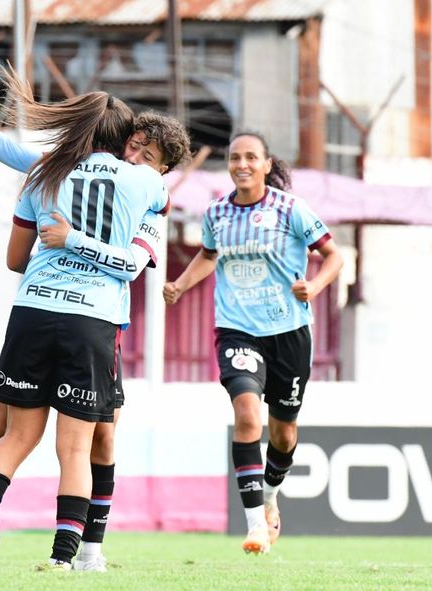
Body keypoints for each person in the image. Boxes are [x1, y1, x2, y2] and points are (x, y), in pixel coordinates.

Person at [0, 95, 190, 571]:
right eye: (136, 145)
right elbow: (140, 248)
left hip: (33, 309)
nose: (138, 155)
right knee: (78, 447)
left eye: (148, 152)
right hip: (93, 319)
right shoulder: (146, 184)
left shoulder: (47, 172)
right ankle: (65, 557)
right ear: (123, 137)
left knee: (16, 434)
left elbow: (12, 162)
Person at [162, 131, 343, 555]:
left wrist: (314, 287)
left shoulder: (291, 209)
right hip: (237, 329)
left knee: (283, 433)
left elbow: (335, 255)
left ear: (265, 164)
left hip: (288, 332)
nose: (241, 164)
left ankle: (271, 494)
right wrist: (181, 285)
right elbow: (209, 255)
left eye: (250, 157)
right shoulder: (217, 213)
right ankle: (255, 525)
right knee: (246, 414)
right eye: (234, 157)